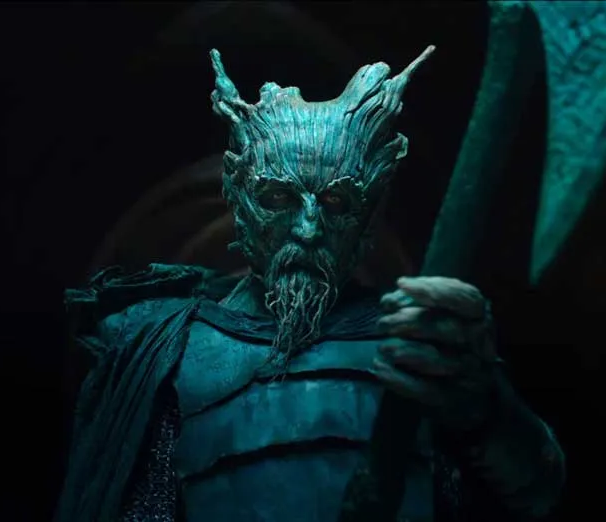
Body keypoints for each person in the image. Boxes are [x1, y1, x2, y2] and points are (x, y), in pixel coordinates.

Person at [55, 47, 565, 522]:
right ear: (237, 194)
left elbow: (536, 490)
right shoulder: (165, 353)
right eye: (278, 199)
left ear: (368, 217)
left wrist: (485, 407)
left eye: (338, 203)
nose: (307, 230)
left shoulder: (421, 344)